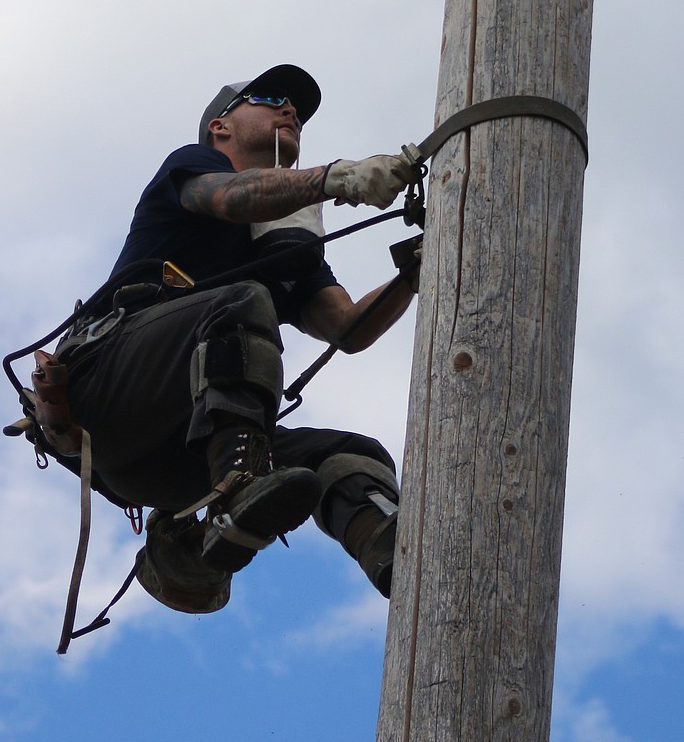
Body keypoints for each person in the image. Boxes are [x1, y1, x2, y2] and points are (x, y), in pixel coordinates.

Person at [56, 65, 420, 616]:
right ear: (221, 127)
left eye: (295, 108)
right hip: (112, 393)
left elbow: (346, 327)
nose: (289, 110)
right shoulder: (194, 164)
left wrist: (417, 270)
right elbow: (229, 199)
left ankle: (398, 557)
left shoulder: (283, 237)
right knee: (241, 299)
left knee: (349, 455)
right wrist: (336, 179)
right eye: (271, 98)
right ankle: (238, 489)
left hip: (177, 459)